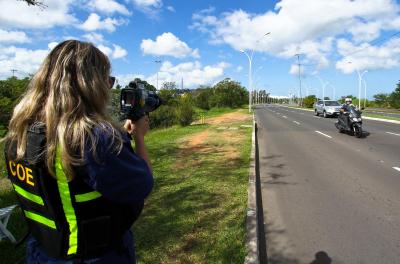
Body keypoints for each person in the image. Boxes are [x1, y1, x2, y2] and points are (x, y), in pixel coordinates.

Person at [2, 40, 153, 263]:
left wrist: (122, 133)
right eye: (108, 81)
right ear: (90, 84)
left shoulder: (20, 135)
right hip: (94, 257)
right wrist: (139, 137)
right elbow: (143, 184)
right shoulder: (95, 139)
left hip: (41, 253)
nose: (109, 88)